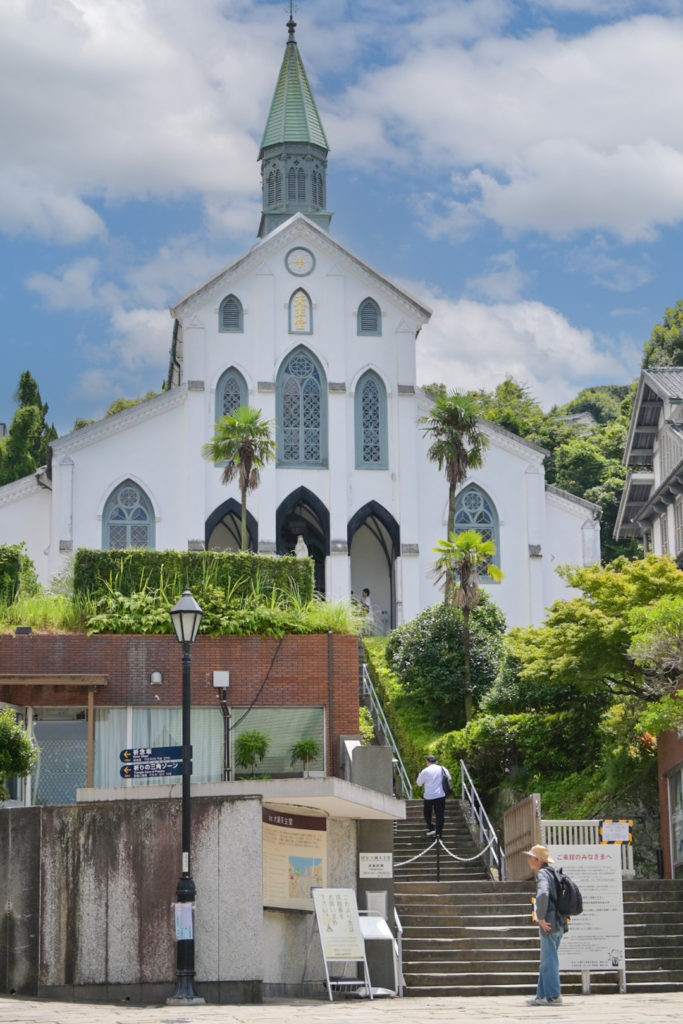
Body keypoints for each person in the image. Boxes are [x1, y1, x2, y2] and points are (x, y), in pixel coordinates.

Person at [524, 843, 568, 1007]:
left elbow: (543, 894)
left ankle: (553, 995)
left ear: (537, 860)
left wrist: (540, 917)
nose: (529, 860)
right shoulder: (554, 873)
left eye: (530, 857)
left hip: (549, 923)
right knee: (547, 959)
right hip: (559, 922)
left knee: (549, 960)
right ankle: (542, 995)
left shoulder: (543, 874)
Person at [416, 754, 451, 838]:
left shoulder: (425, 771)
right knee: (440, 815)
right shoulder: (442, 769)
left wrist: (419, 775)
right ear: (436, 762)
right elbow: (449, 779)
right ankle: (438, 833)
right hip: (440, 795)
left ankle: (431, 828)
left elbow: (419, 783)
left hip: (428, 796)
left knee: (427, 813)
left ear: (427, 763)